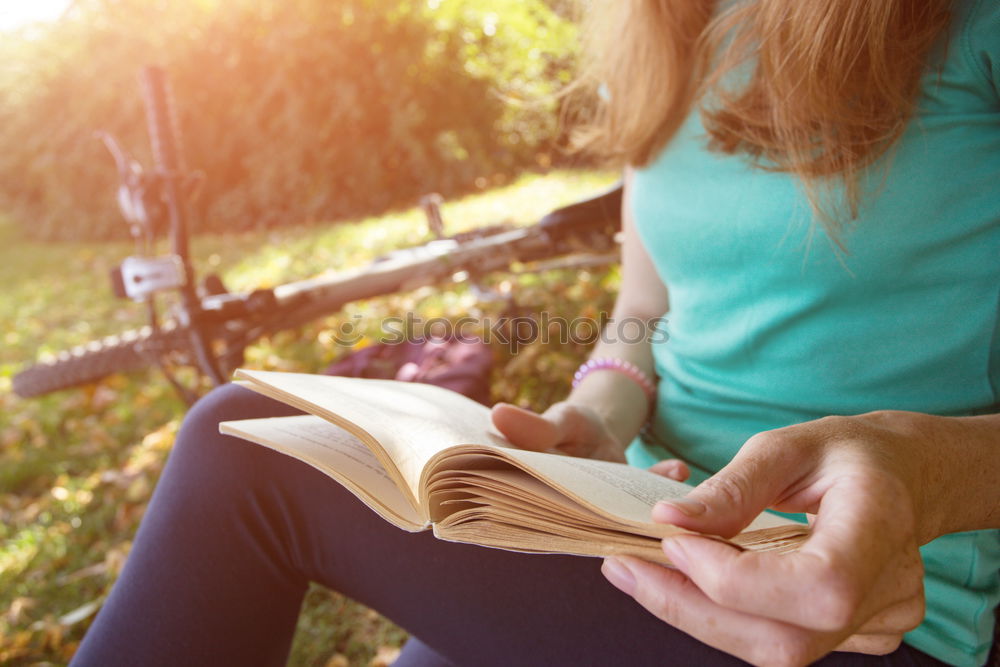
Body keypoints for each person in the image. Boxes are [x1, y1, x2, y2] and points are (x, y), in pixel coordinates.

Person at [72, 0, 998, 665]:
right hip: (629, 520)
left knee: (247, 447)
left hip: (855, 603)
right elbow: (647, 306)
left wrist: (919, 467)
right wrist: (593, 413)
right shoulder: (672, 26)